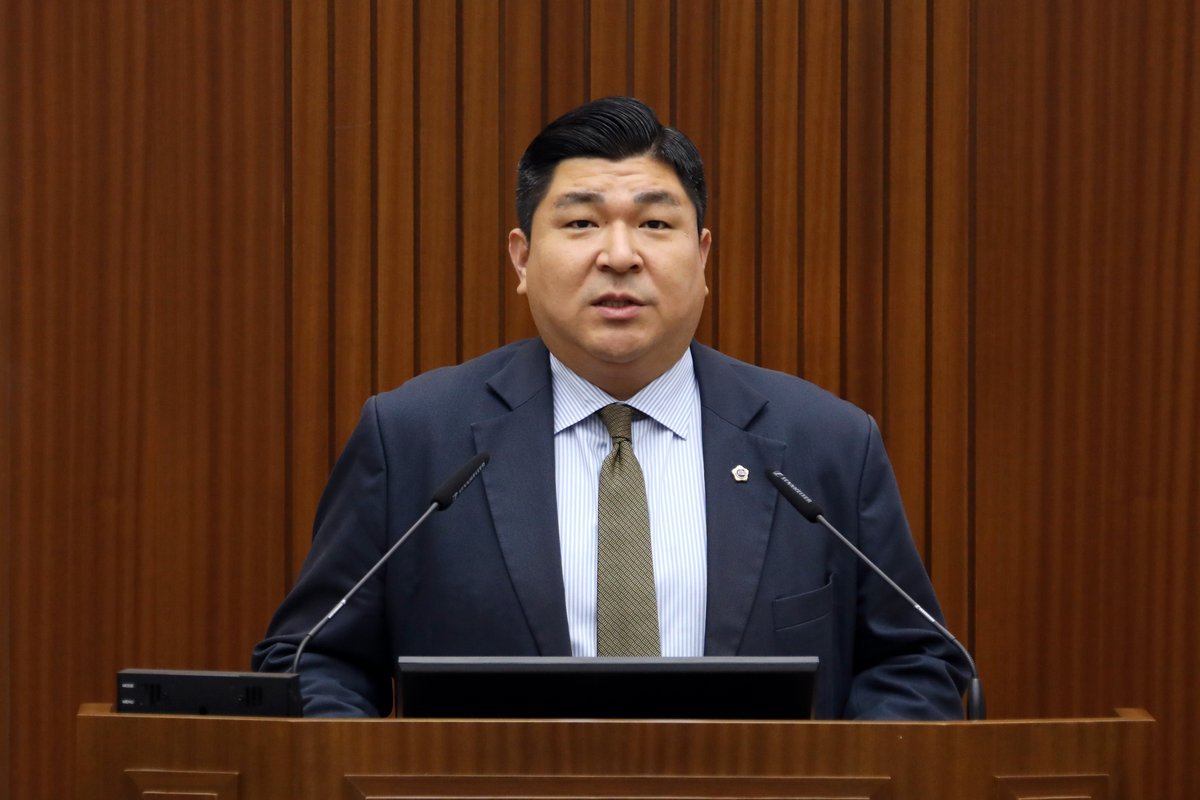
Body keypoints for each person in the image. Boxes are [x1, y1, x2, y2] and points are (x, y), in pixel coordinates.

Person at [253, 96, 969, 719]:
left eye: (655, 224)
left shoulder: (825, 444)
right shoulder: (416, 439)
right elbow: (312, 660)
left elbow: (916, 664)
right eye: (581, 224)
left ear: (703, 256)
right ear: (522, 259)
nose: (620, 255)